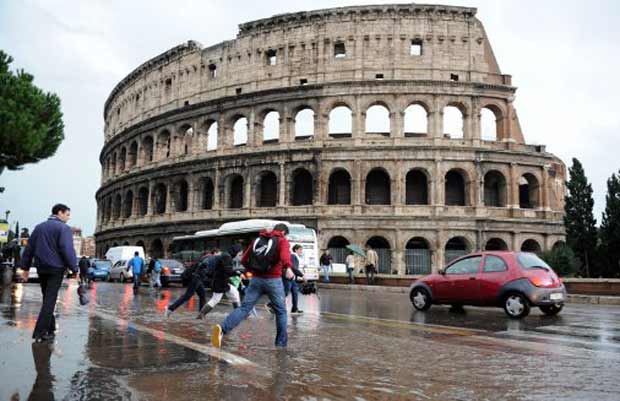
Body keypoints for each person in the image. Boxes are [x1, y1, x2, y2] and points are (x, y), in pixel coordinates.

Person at [211, 223, 293, 348]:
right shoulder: (282, 241)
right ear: (284, 232)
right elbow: (284, 256)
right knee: (281, 311)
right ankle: (280, 344)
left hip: (256, 280)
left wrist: (254, 270)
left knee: (244, 308)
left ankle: (222, 329)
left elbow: (244, 259)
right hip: (273, 280)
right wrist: (288, 268)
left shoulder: (258, 240)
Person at [21, 204, 78, 342]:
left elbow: (29, 249)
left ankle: (50, 329)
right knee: (49, 300)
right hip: (56, 268)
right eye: (67, 214)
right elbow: (66, 249)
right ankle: (40, 332)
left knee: (47, 298)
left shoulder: (39, 227)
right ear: (60, 213)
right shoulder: (64, 228)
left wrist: (25, 269)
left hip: (41, 268)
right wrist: (74, 268)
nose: (68, 218)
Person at [165, 250, 215, 317]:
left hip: (197, 279)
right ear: (214, 253)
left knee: (202, 295)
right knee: (187, 296)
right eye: (219, 253)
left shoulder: (205, 258)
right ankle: (170, 309)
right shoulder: (208, 258)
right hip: (196, 279)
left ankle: (201, 314)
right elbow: (203, 267)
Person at [196, 244, 242, 319]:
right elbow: (228, 271)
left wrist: (236, 273)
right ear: (236, 251)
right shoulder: (227, 257)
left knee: (234, 293)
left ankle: (238, 314)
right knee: (215, 299)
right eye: (239, 253)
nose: (239, 255)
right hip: (220, 281)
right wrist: (237, 273)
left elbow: (226, 270)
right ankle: (201, 315)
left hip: (222, 280)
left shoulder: (226, 255)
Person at [287, 244, 305, 314]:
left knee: (295, 293)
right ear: (296, 250)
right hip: (290, 278)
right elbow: (293, 268)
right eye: (300, 249)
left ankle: (295, 309)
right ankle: (272, 304)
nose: (301, 251)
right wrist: (302, 275)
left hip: (293, 278)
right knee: (285, 293)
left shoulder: (295, 256)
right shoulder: (293, 256)